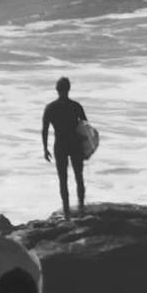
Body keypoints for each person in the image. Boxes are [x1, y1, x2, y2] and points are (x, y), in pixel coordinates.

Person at [42, 76, 88, 219]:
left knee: (63, 179)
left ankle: (67, 212)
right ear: (69, 89)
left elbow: (45, 130)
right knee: (79, 176)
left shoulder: (50, 108)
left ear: (57, 89)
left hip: (60, 145)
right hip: (75, 144)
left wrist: (45, 149)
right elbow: (86, 127)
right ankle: (81, 208)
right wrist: (87, 146)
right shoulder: (76, 106)